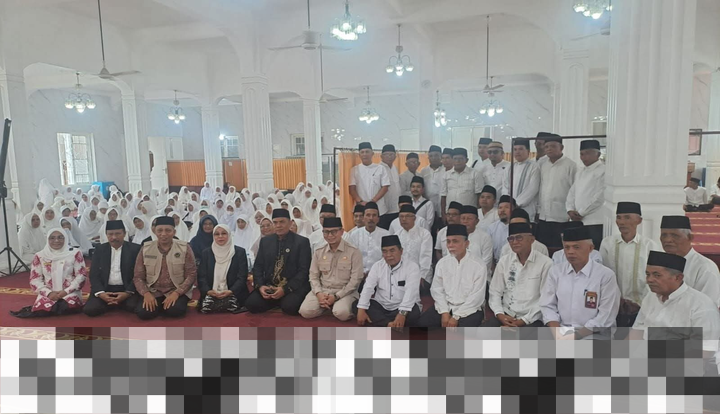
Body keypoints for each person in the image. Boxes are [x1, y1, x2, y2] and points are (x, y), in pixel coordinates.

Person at [629, 251, 720, 369]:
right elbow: (637, 333)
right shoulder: (651, 297)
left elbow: (704, 352)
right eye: (647, 274)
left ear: (678, 277)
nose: (649, 280)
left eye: (657, 275)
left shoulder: (701, 306)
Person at [540, 226, 620, 340]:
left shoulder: (605, 276)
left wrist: (575, 336)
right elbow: (547, 305)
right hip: (561, 330)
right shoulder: (555, 272)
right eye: (566, 247)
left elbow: (605, 316)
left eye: (576, 247)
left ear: (590, 248)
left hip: (594, 333)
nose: (570, 252)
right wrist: (558, 333)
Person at [599, 202, 660, 328]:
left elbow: (656, 278)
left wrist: (641, 303)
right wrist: (617, 300)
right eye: (619, 217)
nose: (621, 222)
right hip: (612, 305)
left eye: (627, 217)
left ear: (639, 220)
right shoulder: (607, 244)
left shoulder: (650, 246)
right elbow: (603, 275)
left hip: (642, 307)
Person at [417, 225, 487, 327]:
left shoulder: (478, 265)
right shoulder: (442, 263)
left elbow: (476, 297)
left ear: (466, 243)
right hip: (446, 306)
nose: (451, 245)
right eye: (448, 241)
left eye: (455, 241)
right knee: (421, 325)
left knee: (463, 332)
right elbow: (437, 289)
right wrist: (444, 312)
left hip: (469, 309)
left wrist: (456, 317)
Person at [245, 209, 312, 315]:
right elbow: (258, 267)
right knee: (251, 304)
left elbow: (304, 271)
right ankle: (276, 300)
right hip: (270, 285)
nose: (278, 225)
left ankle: (280, 300)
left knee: (289, 307)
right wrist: (261, 286)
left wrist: (285, 289)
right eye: (275, 222)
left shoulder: (301, 242)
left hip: (291, 286)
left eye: (282, 222)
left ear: (290, 223)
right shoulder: (266, 241)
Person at [485, 222, 553, 327]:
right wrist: (500, 314)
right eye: (511, 239)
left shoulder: (546, 263)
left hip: (532, 317)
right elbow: (495, 292)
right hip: (507, 314)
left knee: (522, 337)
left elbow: (546, 299)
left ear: (532, 240)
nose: (515, 242)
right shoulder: (504, 261)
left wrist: (523, 321)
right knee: (481, 333)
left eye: (519, 238)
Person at [300, 217, 363, 321]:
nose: (330, 235)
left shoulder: (354, 252)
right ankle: (326, 305)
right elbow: (313, 276)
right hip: (324, 290)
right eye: (326, 232)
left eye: (333, 232)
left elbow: (355, 280)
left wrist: (337, 296)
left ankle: (334, 305)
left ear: (341, 232)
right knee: (305, 312)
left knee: (341, 313)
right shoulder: (319, 252)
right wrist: (319, 294)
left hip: (345, 292)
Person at [133, 216, 197, 320]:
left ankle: (164, 306)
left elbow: (191, 274)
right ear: (154, 231)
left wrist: (177, 293)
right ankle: (160, 306)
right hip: (153, 291)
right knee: (144, 313)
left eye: (168, 230)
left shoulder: (184, 248)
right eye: (160, 230)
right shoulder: (146, 248)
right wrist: (146, 294)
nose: (163, 234)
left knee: (175, 310)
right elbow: (138, 276)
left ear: (174, 232)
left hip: (175, 290)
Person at [354, 235, 422, 329]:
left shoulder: (412, 267)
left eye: (392, 250)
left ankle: (382, 322)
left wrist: (402, 313)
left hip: (401, 306)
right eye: (385, 251)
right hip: (381, 305)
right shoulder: (377, 266)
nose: (388, 255)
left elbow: (411, 292)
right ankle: (390, 324)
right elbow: (368, 288)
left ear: (401, 251)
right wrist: (361, 309)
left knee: (414, 313)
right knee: (356, 305)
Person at [84, 221, 142, 317]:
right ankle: (114, 302)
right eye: (110, 234)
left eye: (118, 234)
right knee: (90, 310)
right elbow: (94, 274)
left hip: (126, 288)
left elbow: (138, 274)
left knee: (134, 307)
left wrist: (127, 293)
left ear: (124, 234)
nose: (114, 237)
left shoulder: (135, 249)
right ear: (106, 235)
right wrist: (101, 293)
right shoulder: (100, 249)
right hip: (105, 288)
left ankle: (114, 303)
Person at [660, 215, 720, 307]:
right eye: (664, 235)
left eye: (674, 235)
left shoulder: (705, 268)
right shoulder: (659, 264)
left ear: (690, 237)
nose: (667, 240)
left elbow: (707, 307)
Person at [24, 229, 87, 316]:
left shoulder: (75, 253)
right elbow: (35, 279)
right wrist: (48, 293)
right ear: (47, 239)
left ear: (65, 238)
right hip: (48, 293)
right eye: (52, 238)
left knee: (65, 307)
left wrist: (66, 291)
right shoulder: (40, 255)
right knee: (43, 310)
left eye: (60, 237)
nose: (56, 241)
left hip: (70, 292)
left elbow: (81, 276)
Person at [196, 224, 250, 314]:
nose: (220, 236)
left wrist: (231, 291)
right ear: (213, 236)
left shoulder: (239, 252)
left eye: (224, 233)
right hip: (212, 293)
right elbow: (202, 276)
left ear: (229, 235)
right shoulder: (207, 253)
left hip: (234, 292)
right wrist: (208, 291)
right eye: (217, 234)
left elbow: (242, 276)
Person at [537, 135, 577, 248]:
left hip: (561, 216)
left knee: (560, 248)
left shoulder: (571, 165)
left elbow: (575, 189)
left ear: (561, 147)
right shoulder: (542, 164)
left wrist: (572, 209)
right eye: (546, 147)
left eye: (553, 146)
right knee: (544, 248)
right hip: (543, 216)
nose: (549, 149)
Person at [349, 142, 390, 228]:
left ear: (372, 153)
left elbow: (385, 187)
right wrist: (361, 202)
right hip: (361, 209)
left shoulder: (380, 168)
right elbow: (352, 189)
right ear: (359, 155)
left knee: (380, 232)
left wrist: (373, 201)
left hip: (379, 208)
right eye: (362, 152)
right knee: (361, 233)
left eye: (367, 152)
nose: (365, 154)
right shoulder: (354, 170)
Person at [566, 140, 606, 225]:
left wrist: (581, 213)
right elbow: (572, 192)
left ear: (598, 154)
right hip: (577, 220)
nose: (584, 157)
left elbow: (600, 197)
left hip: (594, 221)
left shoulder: (603, 171)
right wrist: (570, 209)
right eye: (581, 154)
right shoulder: (580, 171)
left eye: (587, 153)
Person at [440, 148, 485, 223]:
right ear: (452, 160)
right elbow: (443, 196)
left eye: (460, 159)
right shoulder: (446, 175)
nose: (458, 161)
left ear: (466, 160)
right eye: (455, 159)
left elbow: (479, 195)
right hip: (451, 214)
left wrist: (477, 212)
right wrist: (443, 214)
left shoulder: (475, 174)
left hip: (468, 214)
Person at [395, 204, 434, 287]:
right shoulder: (397, 235)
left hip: (421, 276)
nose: (404, 219)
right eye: (401, 217)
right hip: (401, 276)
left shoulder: (424, 234)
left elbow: (426, 256)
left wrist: (422, 276)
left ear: (414, 218)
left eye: (407, 216)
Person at [349, 201, 391, 276]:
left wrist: (373, 273)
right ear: (363, 218)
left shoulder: (386, 234)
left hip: (380, 274)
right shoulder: (354, 235)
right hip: (358, 274)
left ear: (378, 218)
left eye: (374, 215)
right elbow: (351, 257)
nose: (371, 218)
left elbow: (387, 258)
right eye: (368, 215)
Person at [501, 139, 540, 219]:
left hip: (527, 208)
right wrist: (508, 204)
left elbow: (532, 189)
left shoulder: (534, 166)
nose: (517, 152)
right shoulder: (509, 167)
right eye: (515, 149)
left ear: (528, 151)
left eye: (521, 149)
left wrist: (516, 204)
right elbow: (505, 186)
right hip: (510, 209)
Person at [459, 205, 494, 272]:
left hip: (480, 275)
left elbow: (486, 261)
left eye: (469, 219)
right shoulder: (455, 237)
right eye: (463, 218)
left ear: (477, 221)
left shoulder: (485, 237)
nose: (465, 221)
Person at [419, 145, 445, 229]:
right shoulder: (423, 171)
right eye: (431, 156)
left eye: (436, 155)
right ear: (428, 157)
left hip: (443, 207)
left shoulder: (446, 170)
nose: (434, 158)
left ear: (441, 156)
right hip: (428, 206)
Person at [486, 196, 514, 264]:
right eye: (500, 208)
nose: (502, 210)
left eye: (506, 207)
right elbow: (488, 249)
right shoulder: (491, 228)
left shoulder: (518, 227)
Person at [379, 144, 401, 230]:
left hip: (396, 208)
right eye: (386, 154)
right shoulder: (378, 169)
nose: (389, 157)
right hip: (384, 210)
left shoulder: (395, 168)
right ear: (381, 156)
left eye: (391, 154)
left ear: (395, 156)